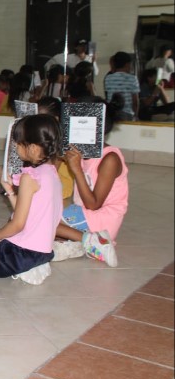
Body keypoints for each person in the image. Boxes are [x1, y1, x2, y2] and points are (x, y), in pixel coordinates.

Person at [0, 115, 63, 284]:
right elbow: (26, 213)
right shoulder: (51, 174)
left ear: (33, 149)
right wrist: (10, 191)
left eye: (18, 143)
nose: (15, 147)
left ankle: (24, 268)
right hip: (42, 251)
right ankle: (33, 266)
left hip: (20, 252)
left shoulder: (30, 177)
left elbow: (18, 224)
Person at [53, 98, 124, 267]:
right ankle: (79, 244)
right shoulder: (82, 152)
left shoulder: (110, 159)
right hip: (83, 214)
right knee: (33, 220)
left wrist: (77, 169)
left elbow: (94, 205)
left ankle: (92, 240)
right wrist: (57, 157)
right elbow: (49, 178)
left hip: (102, 220)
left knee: (38, 221)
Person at [104, 51, 140, 121]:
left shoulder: (108, 78)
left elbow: (108, 96)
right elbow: (135, 101)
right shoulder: (132, 78)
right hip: (127, 114)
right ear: (127, 64)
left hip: (112, 114)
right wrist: (136, 115)